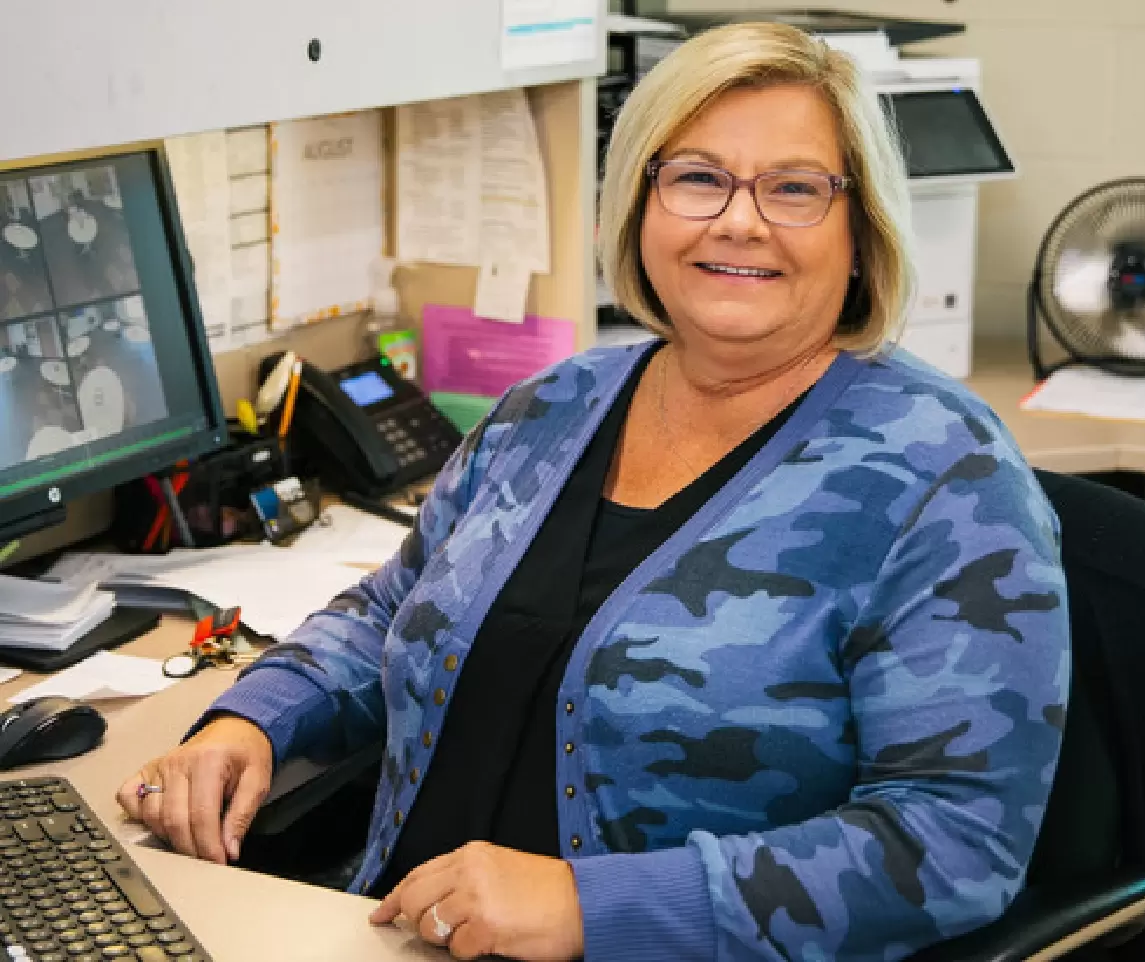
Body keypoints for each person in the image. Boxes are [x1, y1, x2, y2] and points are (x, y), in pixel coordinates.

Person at [117, 21, 1070, 962]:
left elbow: (953, 845)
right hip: (387, 935)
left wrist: (592, 906)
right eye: (698, 178)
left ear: (861, 231)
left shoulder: (942, 472)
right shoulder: (554, 406)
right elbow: (389, 611)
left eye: (794, 189)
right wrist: (254, 719)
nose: (738, 220)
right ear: (640, 206)